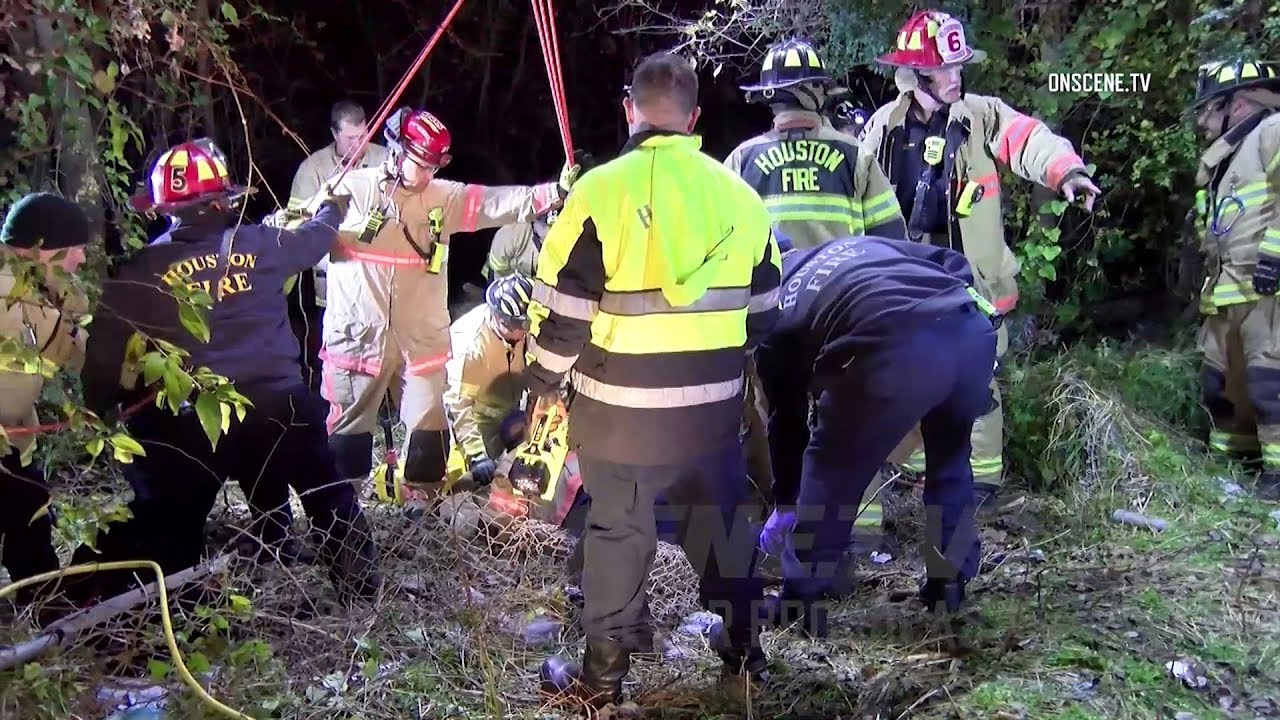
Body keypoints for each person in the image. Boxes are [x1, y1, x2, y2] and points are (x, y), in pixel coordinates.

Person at [531, 51, 782, 707]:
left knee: (619, 537)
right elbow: (766, 315)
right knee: (724, 528)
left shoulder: (597, 193)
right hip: (709, 419)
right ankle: (746, 656)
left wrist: (543, 380)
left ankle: (603, 684)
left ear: (630, 111)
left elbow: (562, 321)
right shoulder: (742, 198)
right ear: (694, 117)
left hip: (619, 422)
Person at [74, 138, 381, 604]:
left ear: (163, 208)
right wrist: (331, 209)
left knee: (173, 518)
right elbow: (314, 241)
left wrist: (103, 412)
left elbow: (102, 358)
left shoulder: (141, 270)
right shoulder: (261, 242)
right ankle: (361, 597)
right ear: (223, 201)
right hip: (281, 406)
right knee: (327, 494)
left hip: (196, 417)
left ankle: (178, 613)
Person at [860, 10, 1101, 510]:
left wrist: (1068, 173)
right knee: (908, 377)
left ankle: (983, 479)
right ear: (914, 76)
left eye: (958, 68)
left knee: (976, 377)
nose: (955, 78)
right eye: (943, 70)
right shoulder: (884, 127)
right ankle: (920, 470)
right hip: (908, 280)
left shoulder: (981, 115)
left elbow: (1030, 139)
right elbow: (859, 192)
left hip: (970, 280)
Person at [318, 106, 578, 497]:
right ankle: (339, 518)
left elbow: (496, 203)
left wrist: (552, 194)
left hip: (420, 341)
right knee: (349, 437)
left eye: (433, 167)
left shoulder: (442, 197)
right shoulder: (352, 189)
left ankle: (422, 517)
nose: (427, 175)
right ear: (396, 150)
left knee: (430, 438)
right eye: (421, 164)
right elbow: (299, 231)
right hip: (359, 340)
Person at [754, 234, 999, 637]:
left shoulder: (776, 311)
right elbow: (950, 259)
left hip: (891, 343)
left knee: (831, 466)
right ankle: (948, 586)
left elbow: (788, 421)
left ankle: (800, 602)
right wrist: (955, 304)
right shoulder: (849, 247)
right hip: (969, 330)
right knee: (950, 460)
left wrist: (786, 502)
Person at [725, 37, 904, 549]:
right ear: (817, 94)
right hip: (844, 317)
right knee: (849, 418)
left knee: (778, 420)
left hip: (773, 320)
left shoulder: (742, 161)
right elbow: (892, 244)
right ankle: (858, 531)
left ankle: (787, 525)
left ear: (771, 99)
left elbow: (724, 249)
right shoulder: (854, 154)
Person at [1188, 58, 1280, 500]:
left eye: (1207, 109)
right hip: (1229, 291)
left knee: (1269, 380)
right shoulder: (1224, 160)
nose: (1202, 121)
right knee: (1222, 382)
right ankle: (1234, 465)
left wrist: (1275, 257)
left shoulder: (1271, 132)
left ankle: (1277, 479)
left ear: (1237, 103)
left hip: (1268, 289)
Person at [724, 37, 906, 248]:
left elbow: (720, 236)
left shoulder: (742, 159)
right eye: (820, 86)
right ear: (809, 90)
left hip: (774, 281)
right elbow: (891, 236)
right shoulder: (855, 154)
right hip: (842, 278)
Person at [0, 193, 91, 603]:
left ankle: (45, 621)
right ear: (44, 249)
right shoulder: (6, 293)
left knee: (31, 534)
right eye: (77, 251)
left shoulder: (27, 287)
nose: (83, 262)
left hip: (15, 448)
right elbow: (15, 386)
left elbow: (73, 355)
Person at [286, 101, 392, 390]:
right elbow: (297, 226)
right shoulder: (313, 170)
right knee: (340, 349)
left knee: (382, 344)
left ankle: (384, 399)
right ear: (335, 134)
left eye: (364, 136)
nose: (359, 145)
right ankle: (338, 400)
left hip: (383, 278)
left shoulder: (386, 159)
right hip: (333, 280)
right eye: (350, 139)